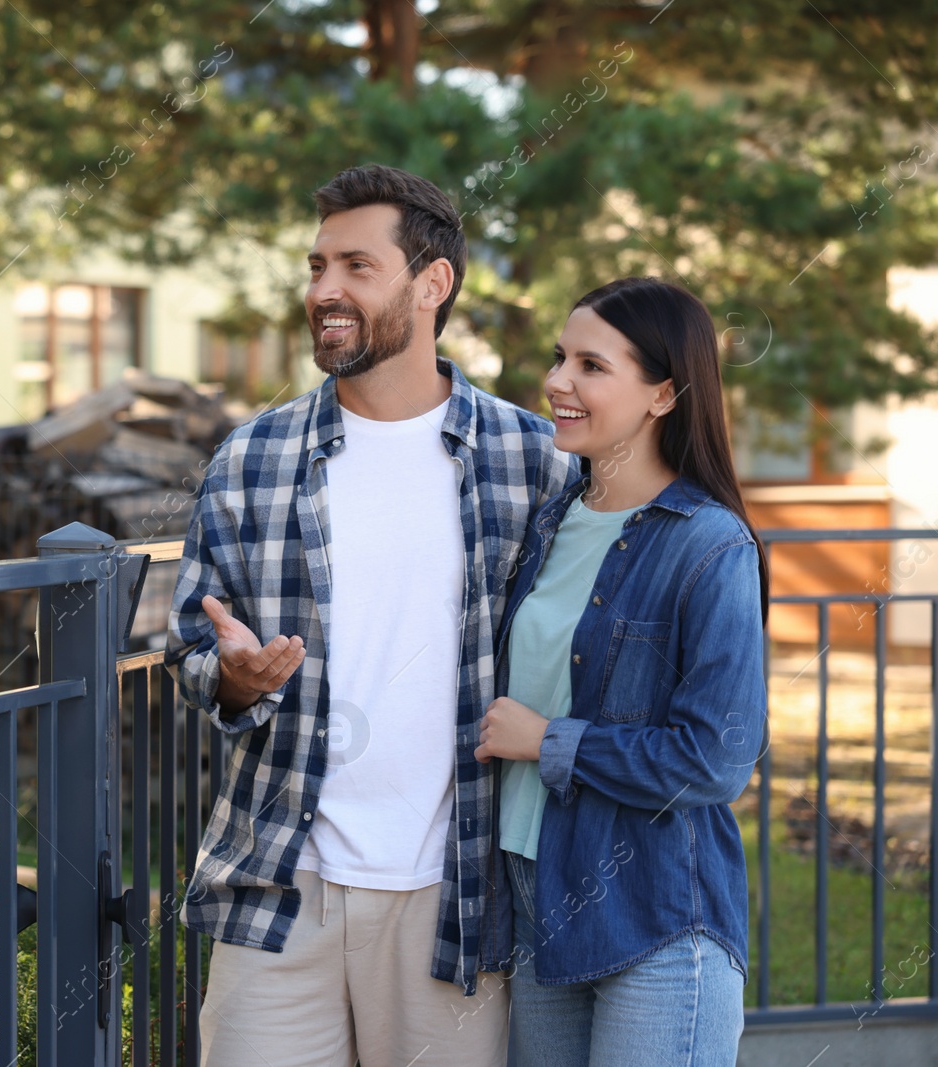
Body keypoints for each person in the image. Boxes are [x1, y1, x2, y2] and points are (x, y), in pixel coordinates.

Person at [166, 163, 576, 1067]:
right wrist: (231, 677)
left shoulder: (533, 459)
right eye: (316, 267)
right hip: (281, 879)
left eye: (356, 265)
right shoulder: (253, 458)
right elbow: (190, 646)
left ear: (433, 284)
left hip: (455, 891)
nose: (324, 291)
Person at [474, 277, 769, 1066]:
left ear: (663, 393)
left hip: (656, 915)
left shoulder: (710, 547)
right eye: (560, 357)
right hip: (538, 905)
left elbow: (715, 758)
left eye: (592, 366)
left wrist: (547, 741)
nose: (559, 382)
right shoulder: (548, 524)